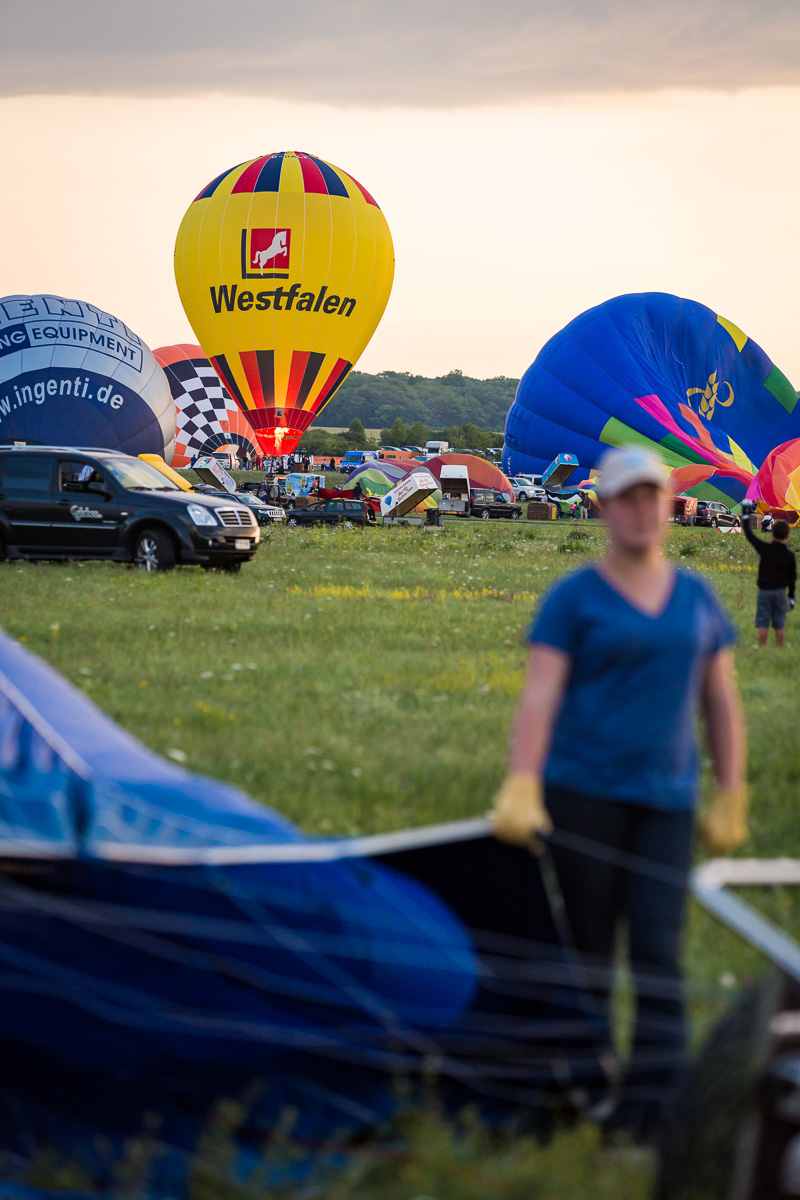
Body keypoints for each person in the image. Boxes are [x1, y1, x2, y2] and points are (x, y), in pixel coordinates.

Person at [491, 445, 748, 1142]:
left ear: (670, 505)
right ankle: (580, 1089)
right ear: (604, 508)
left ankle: (651, 1111)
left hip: (666, 801)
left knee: (659, 954)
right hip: (583, 796)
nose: (640, 511)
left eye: (652, 497)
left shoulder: (696, 596)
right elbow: (540, 697)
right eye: (627, 498)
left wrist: (730, 790)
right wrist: (523, 780)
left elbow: (720, 700)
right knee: (590, 950)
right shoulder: (574, 597)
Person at [741, 504, 796, 648]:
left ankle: (762, 648)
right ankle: (779, 648)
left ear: (772, 534)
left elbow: (749, 534)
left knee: (763, 622)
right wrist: (791, 597)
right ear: (787, 535)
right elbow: (792, 579)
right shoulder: (790, 556)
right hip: (779, 592)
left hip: (764, 592)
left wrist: (746, 513)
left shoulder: (765, 549)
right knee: (780, 624)